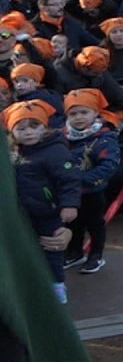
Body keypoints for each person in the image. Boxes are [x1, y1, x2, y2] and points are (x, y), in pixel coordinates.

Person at [6, 100, 80, 304]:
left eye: (34, 126)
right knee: (26, 249)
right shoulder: (13, 152)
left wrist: (69, 204)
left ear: (44, 127)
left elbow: (69, 179)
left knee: (51, 247)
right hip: (22, 213)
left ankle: (56, 285)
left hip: (48, 210)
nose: (28, 132)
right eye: (21, 128)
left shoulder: (54, 151)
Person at [61, 88, 120, 275]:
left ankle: (96, 255)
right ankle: (75, 252)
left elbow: (108, 165)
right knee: (73, 224)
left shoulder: (103, 139)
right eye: (73, 114)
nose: (79, 117)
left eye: (84, 112)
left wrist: (84, 179)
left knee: (95, 224)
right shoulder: (63, 137)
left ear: (95, 113)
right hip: (70, 193)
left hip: (92, 191)